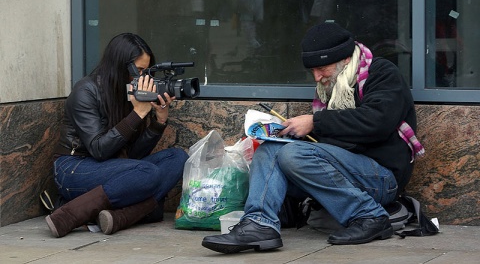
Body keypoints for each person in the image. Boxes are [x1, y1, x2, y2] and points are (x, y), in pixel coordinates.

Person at [202, 22, 424, 253]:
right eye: (313, 71)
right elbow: (334, 142)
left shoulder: (382, 73)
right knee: (271, 148)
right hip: (342, 169)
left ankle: (369, 215)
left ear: (345, 59)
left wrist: (315, 122)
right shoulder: (333, 85)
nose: (317, 77)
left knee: (292, 154)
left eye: (322, 69)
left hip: (382, 179)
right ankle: (259, 224)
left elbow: (377, 122)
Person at [45, 33, 189, 238]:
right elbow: (99, 150)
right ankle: (69, 215)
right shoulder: (86, 91)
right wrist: (138, 113)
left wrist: (159, 121)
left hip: (113, 167)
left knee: (178, 158)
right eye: (139, 70)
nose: (143, 77)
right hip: (75, 167)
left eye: (147, 71)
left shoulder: (129, 91)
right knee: (149, 175)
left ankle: (120, 216)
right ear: (120, 65)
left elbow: (133, 155)